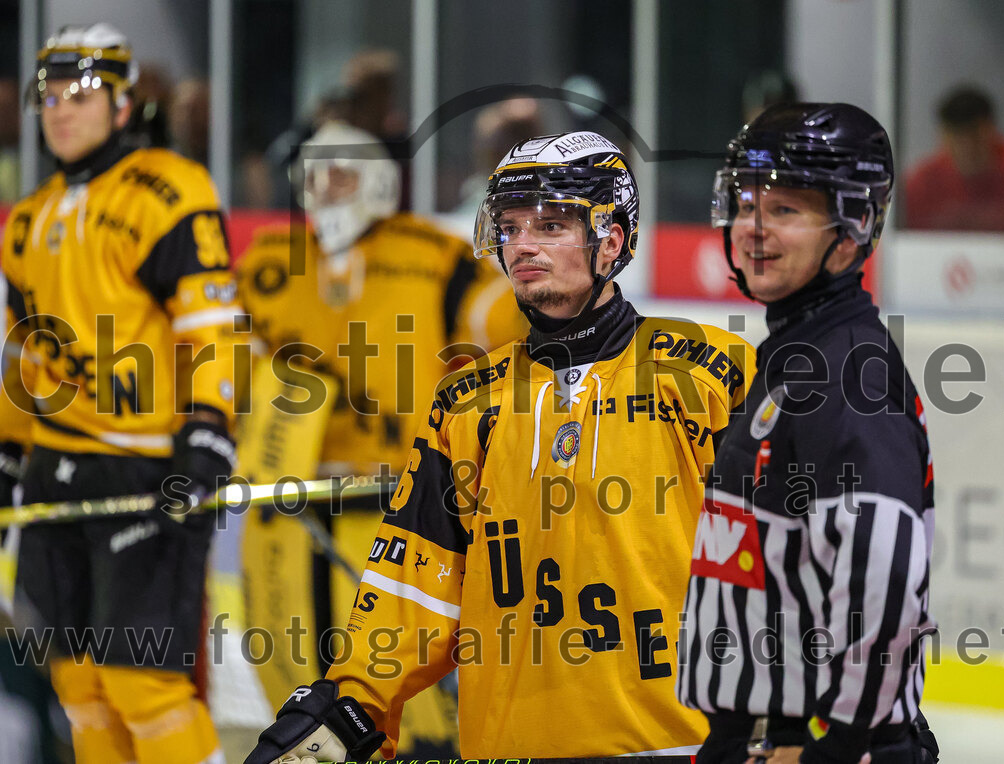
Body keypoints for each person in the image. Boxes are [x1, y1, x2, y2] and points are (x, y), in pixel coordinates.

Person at [244, 130, 757, 763]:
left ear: (613, 239)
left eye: (550, 225)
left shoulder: (707, 368)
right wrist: (351, 705)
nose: (523, 245)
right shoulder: (467, 403)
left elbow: (788, 554)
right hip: (510, 747)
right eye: (510, 226)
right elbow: (413, 585)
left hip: (682, 743)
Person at [234, 119, 525, 755]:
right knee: (295, 681)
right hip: (290, 511)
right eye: (312, 174)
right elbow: (227, 370)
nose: (324, 188)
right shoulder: (269, 263)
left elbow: (504, 324)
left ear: (380, 181)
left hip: (398, 507)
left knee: (395, 693)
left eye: (341, 173)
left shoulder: (435, 258)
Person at [0, 23, 240, 764]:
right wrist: (10, 449)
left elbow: (211, 327)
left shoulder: (168, 190)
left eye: (82, 95)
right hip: (57, 468)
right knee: (76, 684)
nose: (62, 112)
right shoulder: (29, 218)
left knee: (143, 683)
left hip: (144, 468)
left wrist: (208, 428)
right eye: (51, 97)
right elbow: (20, 356)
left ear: (124, 104)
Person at [678, 103, 940, 764]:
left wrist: (834, 743)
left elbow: (882, 579)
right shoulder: (801, 357)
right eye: (745, 205)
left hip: (807, 744)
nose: (753, 230)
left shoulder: (848, 373)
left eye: (786, 211)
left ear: (851, 230)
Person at [904, 84, 1004, 231]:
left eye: (974, 135)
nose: (965, 146)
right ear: (942, 135)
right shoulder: (924, 184)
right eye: (956, 136)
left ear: (991, 130)